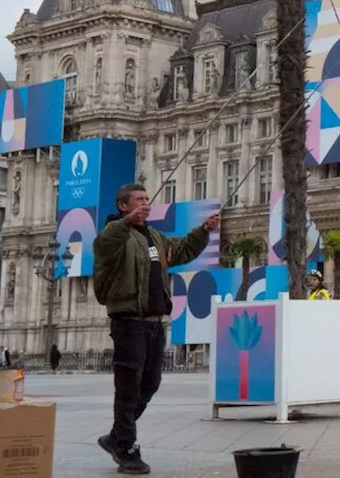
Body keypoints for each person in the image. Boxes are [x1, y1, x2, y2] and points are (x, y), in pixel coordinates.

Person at [92, 183, 219, 475]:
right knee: (127, 387)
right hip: (128, 321)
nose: (146, 204)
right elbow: (103, 246)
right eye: (139, 200)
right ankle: (126, 448)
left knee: (149, 384)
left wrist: (204, 230)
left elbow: (181, 251)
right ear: (123, 206)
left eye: (147, 199)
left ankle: (116, 436)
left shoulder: (154, 236)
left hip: (154, 321)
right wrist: (126, 222)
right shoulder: (114, 233)